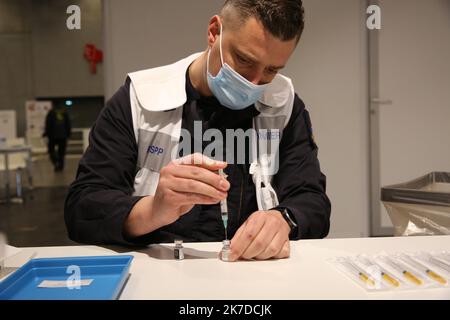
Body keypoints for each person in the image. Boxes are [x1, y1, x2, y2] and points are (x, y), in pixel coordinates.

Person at [65, 0, 331, 261]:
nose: (254, 83)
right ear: (214, 32)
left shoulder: (284, 105)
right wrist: (152, 210)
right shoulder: (139, 99)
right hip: (160, 274)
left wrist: (283, 219)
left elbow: (313, 201)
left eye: (272, 70)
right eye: (243, 60)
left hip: (250, 273)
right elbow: (82, 207)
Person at [43, 104, 71, 172]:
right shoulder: (64, 112)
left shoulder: (51, 113)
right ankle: (60, 166)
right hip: (63, 136)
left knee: (51, 151)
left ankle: (56, 162)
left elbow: (48, 124)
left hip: (53, 136)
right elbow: (68, 124)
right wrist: (68, 134)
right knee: (61, 152)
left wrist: (46, 133)